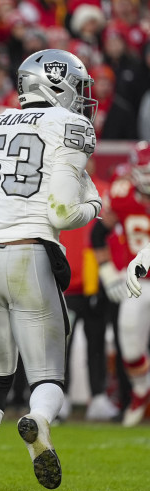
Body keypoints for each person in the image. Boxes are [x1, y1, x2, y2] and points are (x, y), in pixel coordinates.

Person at [0, 49, 102, 491]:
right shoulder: (71, 126)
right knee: (47, 375)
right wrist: (94, 204)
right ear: (58, 83)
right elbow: (63, 212)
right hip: (30, 255)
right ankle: (39, 421)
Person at [94, 140, 150, 426]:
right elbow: (97, 234)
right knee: (128, 344)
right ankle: (141, 392)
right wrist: (107, 273)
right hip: (139, 283)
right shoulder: (121, 194)